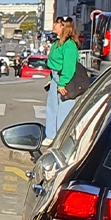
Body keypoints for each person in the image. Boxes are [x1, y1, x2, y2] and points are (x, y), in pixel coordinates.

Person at [43, 16, 81, 145]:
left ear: (64, 27)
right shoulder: (56, 44)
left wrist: (62, 83)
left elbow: (69, 67)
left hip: (65, 78)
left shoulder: (69, 45)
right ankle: (51, 135)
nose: (54, 25)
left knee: (64, 108)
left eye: (57, 24)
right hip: (56, 77)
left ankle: (61, 137)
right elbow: (53, 64)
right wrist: (51, 78)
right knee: (52, 106)